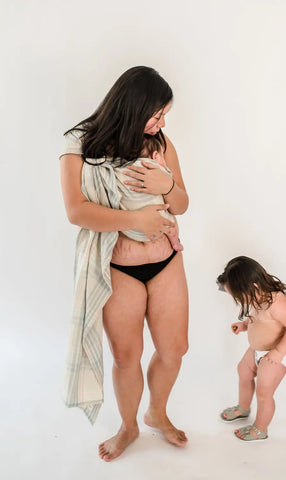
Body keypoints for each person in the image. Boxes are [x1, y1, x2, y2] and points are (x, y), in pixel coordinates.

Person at [59, 66, 189, 462]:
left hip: (165, 262)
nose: (162, 122)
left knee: (175, 349)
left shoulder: (161, 143)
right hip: (118, 267)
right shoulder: (79, 145)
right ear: (133, 108)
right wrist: (136, 219)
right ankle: (129, 425)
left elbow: (182, 203)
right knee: (125, 356)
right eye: (157, 114)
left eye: (164, 114)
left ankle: (157, 412)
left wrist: (166, 187)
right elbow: (76, 211)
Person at [216, 256, 286, 441]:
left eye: (240, 297)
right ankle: (243, 408)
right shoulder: (259, 298)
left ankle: (260, 428)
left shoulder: (277, 305)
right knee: (243, 371)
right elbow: (259, 317)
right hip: (257, 350)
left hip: (275, 354)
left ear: (254, 287)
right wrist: (245, 325)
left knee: (264, 392)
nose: (240, 301)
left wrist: (278, 352)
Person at [113, 133, 183, 252]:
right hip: (163, 226)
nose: (162, 123)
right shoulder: (158, 168)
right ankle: (175, 242)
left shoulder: (120, 169)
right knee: (173, 222)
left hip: (131, 232)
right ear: (156, 156)